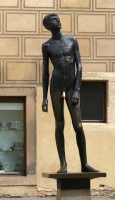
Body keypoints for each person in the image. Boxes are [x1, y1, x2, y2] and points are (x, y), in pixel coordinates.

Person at [42, 13, 99, 173]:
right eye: (54, 19)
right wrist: (44, 97)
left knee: (78, 125)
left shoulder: (71, 40)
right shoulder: (47, 46)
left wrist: (77, 90)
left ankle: (84, 164)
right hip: (56, 86)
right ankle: (63, 164)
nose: (58, 20)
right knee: (59, 124)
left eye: (58, 18)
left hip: (71, 87)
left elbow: (79, 65)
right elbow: (46, 72)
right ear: (47, 25)